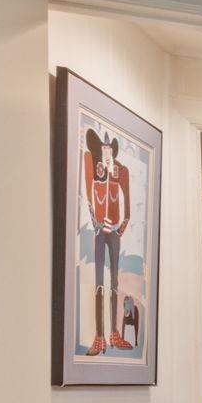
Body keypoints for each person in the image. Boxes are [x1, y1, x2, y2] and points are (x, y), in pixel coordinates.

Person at [83, 129, 131, 355]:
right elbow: (88, 193)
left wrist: (122, 226)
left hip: (113, 233)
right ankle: (99, 336)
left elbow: (127, 205)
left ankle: (113, 332)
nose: (106, 152)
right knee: (100, 283)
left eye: (109, 148)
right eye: (103, 148)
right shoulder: (92, 165)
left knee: (114, 282)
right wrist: (95, 223)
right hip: (101, 230)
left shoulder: (121, 170)